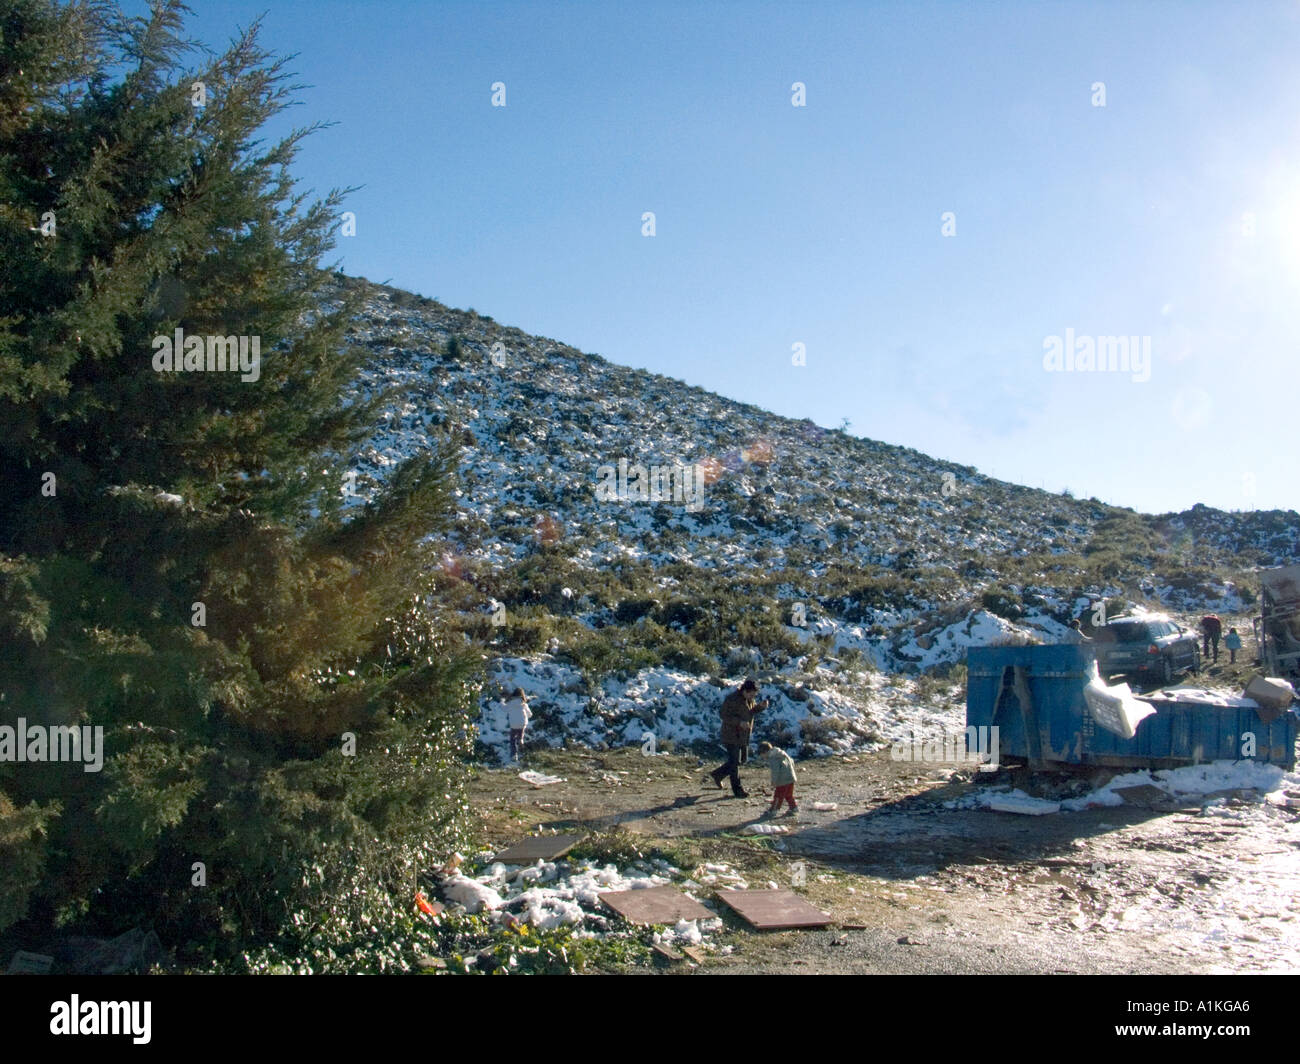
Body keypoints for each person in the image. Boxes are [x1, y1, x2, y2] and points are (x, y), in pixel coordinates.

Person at [703, 678, 768, 798]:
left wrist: (760, 707)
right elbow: (723, 714)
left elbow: (750, 713)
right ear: (745, 691)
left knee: (742, 760)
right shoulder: (732, 699)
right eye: (752, 694)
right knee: (734, 764)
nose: (754, 696)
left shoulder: (749, 699)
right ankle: (738, 791)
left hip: (743, 736)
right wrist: (739, 723)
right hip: (731, 735)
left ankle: (717, 775)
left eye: (755, 694)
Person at [757, 741, 798, 816]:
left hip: (782, 780)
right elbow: (791, 761)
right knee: (788, 794)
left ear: (765, 752)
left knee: (778, 796)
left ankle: (774, 810)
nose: (763, 757)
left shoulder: (773, 758)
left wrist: (774, 782)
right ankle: (794, 807)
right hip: (790, 777)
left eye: (762, 755)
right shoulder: (781, 753)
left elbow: (775, 771)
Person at [505, 687, 531, 762]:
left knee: (512, 739)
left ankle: (514, 755)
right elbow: (530, 714)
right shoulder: (523, 703)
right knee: (521, 732)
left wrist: (502, 702)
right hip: (522, 723)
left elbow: (504, 709)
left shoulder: (510, 703)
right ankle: (521, 740)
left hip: (513, 724)